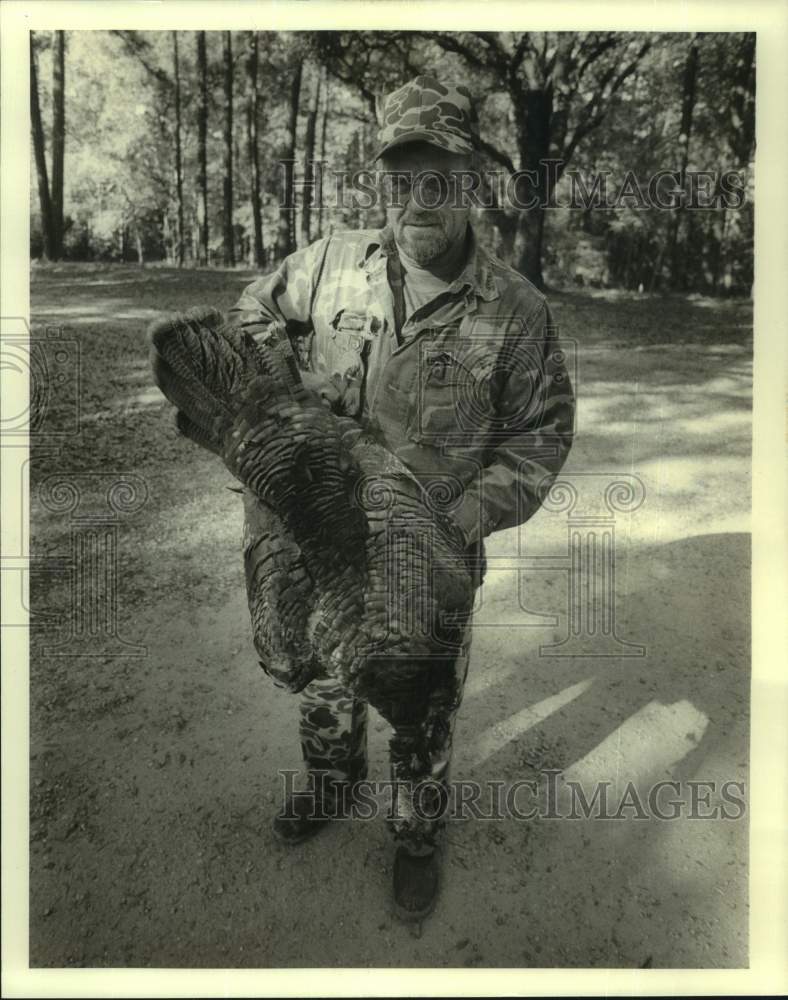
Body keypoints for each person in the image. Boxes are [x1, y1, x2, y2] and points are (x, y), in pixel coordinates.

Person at [229, 75, 575, 920]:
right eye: (400, 179)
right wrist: (280, 398)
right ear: (382, 182)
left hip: (431, 557)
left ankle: (416, 832)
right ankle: (332, 779)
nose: (417, 198)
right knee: (324, 677)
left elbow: (543, 432)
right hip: (324, 540)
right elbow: (251, 314)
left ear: (469, 183)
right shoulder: (327, 264)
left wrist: (468, 512)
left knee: (420, 705)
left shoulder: (517, 310)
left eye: (438, 179)